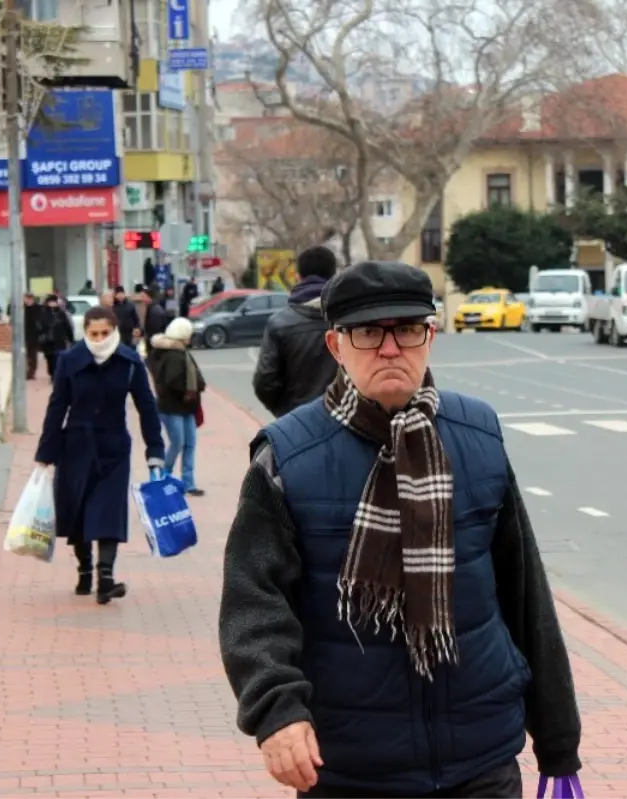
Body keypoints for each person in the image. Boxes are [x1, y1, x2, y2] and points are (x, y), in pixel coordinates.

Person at [219, 261, 582, 798]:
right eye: (368, 333)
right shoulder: (287, 457)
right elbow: (254, 602)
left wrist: (558, 743)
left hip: (480, 758)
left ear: (430, 337)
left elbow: (525, 595)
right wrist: (276, 710)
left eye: (408, 329)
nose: (391, 349)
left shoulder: (478, 437)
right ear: (336, 346)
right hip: (350, 766)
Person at [35, 306, 166, 604]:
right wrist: (46, 453)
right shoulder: (70, 361)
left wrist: (155, 452)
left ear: (115, 331)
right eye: (93, 333)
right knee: (79, 511)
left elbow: (147, 409)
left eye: (105, 333)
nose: (99, 339)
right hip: (76, 447)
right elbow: (57, 407)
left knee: (108, 510)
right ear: (85, 333)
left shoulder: (130, 362)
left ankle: (105, 577)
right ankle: (84, 571)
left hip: (114, 448)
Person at [253, 246, 340, 418]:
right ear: (334, 275)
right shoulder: (350, 319)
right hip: (344, 421)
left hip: (295, 421)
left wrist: (286, 414)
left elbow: (265, 382)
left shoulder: (280, 323)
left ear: (298, 277)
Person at [150, 317, 206, 497]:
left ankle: (188, 483)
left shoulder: (176, 351)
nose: (190, 337)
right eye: (188, 334)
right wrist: (192, 388)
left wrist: (196, 385)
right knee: (179, 442)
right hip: (173, 407)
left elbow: (194, 375)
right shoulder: (174, 354)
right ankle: (165, 474)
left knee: (189, 444)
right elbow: (172, 382)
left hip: (184, 407)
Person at [37, 293, 75, 379]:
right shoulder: (43, 313)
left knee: (58, 359)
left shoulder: (61, 314)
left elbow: (67, 327)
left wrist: (70, 338)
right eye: (51, 302)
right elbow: (39, 326)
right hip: (48, 342)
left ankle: (56, 376)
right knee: (50, 360)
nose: (53, 304)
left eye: (54, 302)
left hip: (59, 341)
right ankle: (52, 374)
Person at [21, 293, 42, 379]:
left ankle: (31, 372)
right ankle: (26, 371)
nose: (28, 301)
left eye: (30, 299)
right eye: (27, 299)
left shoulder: (38, 308)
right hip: (23, 335)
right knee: (25, 355)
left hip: (34, 335)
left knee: (33, 355)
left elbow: (41, 321)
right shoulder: (22, 308)